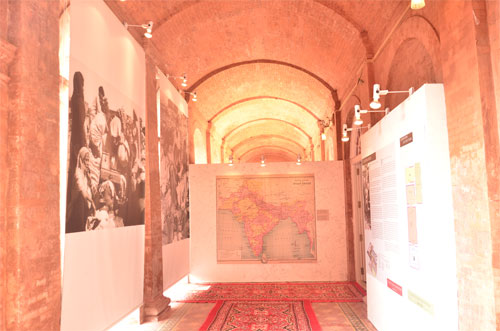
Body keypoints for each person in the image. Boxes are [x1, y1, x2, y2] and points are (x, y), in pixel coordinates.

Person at [66, 147, 95, 233]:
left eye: (88, 160)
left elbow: (90, 190)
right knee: (81, 200)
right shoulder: (78, 174)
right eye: (86, 160)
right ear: (81, 160)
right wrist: (92, 203)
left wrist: (90, 181)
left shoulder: (85, 174)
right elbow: (83, 193)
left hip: (84, 209)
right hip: (76, 210)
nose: (88, 163)